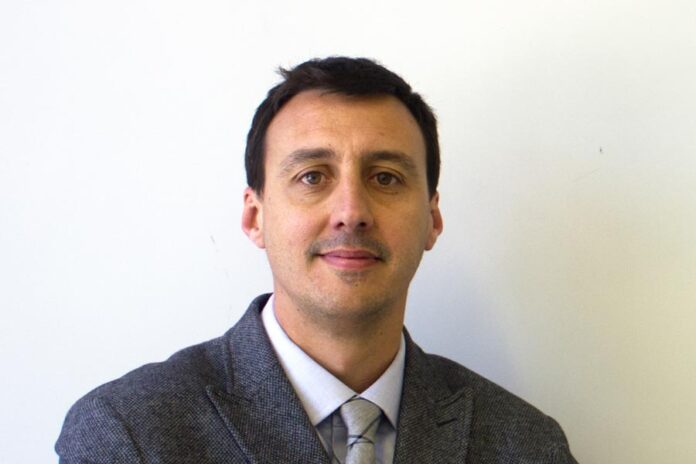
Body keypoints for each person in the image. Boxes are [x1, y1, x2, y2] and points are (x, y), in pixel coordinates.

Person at [56, 57, 577, 463]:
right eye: (312, 177)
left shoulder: (527, 445)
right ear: (255, 217)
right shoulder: (130, 434)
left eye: (386, 178)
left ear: (432, 219)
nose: (351, 213)